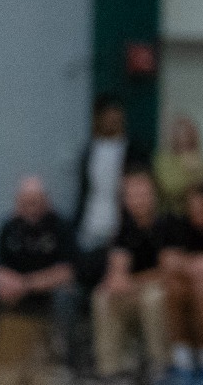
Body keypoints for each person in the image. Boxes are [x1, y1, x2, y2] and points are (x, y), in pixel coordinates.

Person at [0, 176, 81, 380]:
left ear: (45, 200)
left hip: (49, 294)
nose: (31, 207)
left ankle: (68, 367)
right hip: (17, 295)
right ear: (17, 202)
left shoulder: (61, 226)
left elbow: (66, 272)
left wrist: (26, 284)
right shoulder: (8, 227)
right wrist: (10, 285)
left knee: (67, 297)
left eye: (35, 201)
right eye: (26, 202)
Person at [95, 172, 169, 383]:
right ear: (125, 200)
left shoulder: (167, 224)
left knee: (152, 298)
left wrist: (133, 281)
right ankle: (112, 369)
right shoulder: (123, 230)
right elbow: (118, 265)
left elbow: (168, 270)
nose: (139, 201)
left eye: (143, 195)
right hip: (136, 288)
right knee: (103, 297)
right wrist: (115, 279)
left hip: (161, 287)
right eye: (133, 196)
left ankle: (160, 364)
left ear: (154, 196)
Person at [78, 95, 153, 291]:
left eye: (115, 116)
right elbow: (85, 190)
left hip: (120, 224)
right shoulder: (90, 150)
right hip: (92, 224)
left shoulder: (133, 149)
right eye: (107, 116)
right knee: (88, 274)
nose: (111, 120)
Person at [158, 188, 203, 381]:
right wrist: (195, 265)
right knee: (174, 289)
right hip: (188, 283)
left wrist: (196, 265)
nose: (199, 215)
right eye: (193, 210)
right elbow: (169, 260)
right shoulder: (178, 226)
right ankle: (183, 360)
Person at [154, 115, 203, 219]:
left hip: (201, 216)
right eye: (179, 132)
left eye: (188, 132)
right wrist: (195, 172)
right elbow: (170, 186)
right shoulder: (163, 160)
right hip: (173, 215)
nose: (184, 136)